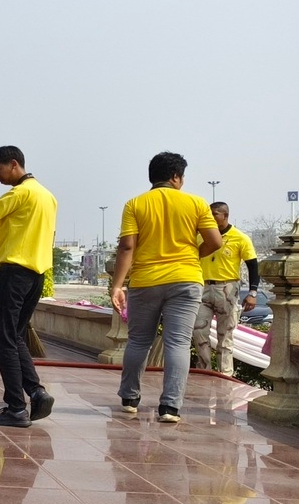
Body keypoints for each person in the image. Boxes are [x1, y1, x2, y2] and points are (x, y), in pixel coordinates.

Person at [109, 152, 222, 422]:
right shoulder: (196, 202)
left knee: (138, 340)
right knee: (178, 342)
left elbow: (127, 246)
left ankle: (129, 398)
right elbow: (215, 242)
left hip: (146, 280)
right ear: (175, 177)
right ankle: (170, 407)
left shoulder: (135, 204)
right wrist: (193, 254)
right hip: (186, 279)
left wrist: (117, 285)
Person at [0, 146, 57, 428]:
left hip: (14, 271)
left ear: (13, 164)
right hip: (37, 273)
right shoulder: (47, 195)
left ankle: (16, 407)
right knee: (16, 336)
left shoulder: (19, 193)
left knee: (5, 339)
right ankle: (35, 391)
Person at [193, 201, 259, 379]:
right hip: (203, 286)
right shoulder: (200, 236)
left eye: (214, 214)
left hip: (227, 288)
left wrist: (253, 293)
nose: (211, 217)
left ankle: (225, 375)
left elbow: (253, 266)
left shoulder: (240, 237)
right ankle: (204, 370)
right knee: (198, 331)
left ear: (225, 215)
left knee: (225, 335)